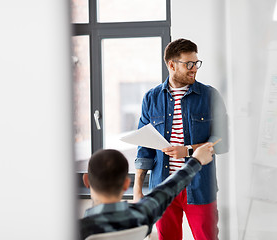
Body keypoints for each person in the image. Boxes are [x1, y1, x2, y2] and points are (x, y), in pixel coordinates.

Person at [133, 38, 229, 240]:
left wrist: (188, 150)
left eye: (196, 63)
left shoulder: (210, 96)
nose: (194, 68)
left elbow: (222, 140)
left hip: (200, 187)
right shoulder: (151, 98)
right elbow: (144, 148)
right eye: (189, 64)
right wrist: (137, 188)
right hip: (163, 188)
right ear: (171, 65)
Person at [79, 143, 215, 240]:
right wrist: (196, 160)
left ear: (86, 181)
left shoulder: (76, 229)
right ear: (127, 183)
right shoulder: (142, 215)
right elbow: (169, 188)